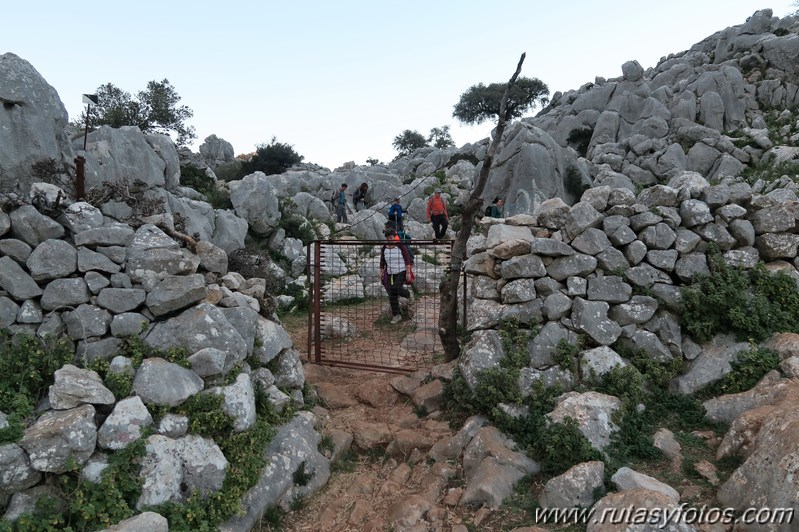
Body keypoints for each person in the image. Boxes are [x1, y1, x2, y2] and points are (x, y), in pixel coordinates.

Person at [380, 227, 413, 324]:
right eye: (388, 238)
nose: (390, 239)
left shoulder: (400, 246)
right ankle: (396, 315)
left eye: (392, 237)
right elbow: (382, 261)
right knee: (392, 294)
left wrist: (408, 273)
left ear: (394, 237)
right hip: (391, 272)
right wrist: (381, 272)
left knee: (395, 289)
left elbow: (407, 259)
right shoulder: (384, 248)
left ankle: (408, 294)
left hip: (401, 271)